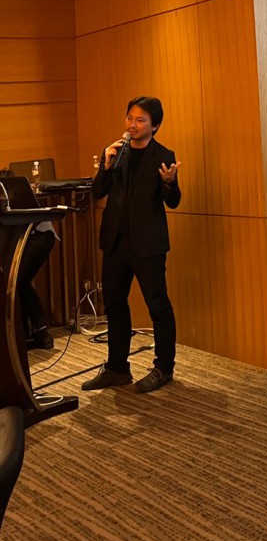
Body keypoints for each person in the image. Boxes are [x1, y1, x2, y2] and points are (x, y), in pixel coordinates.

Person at [82, 96, 181, 394]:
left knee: (158, 306)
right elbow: (98, 192)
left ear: (155, 125)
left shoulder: (163, 155)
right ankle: (117, 368)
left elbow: (173, 201)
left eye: (140, 120)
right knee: (114, 304)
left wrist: (169, 182)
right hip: (115, 242)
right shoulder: (116, 151)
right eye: (129, 118)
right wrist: (105, 166)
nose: (132, 125)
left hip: (148, 244)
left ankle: (164, 368)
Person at [19, 222, 56, 350]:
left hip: (35, 235)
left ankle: (35, 334)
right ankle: (34, 333)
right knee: (20, 284)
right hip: (39, 235)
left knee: (17, 283)